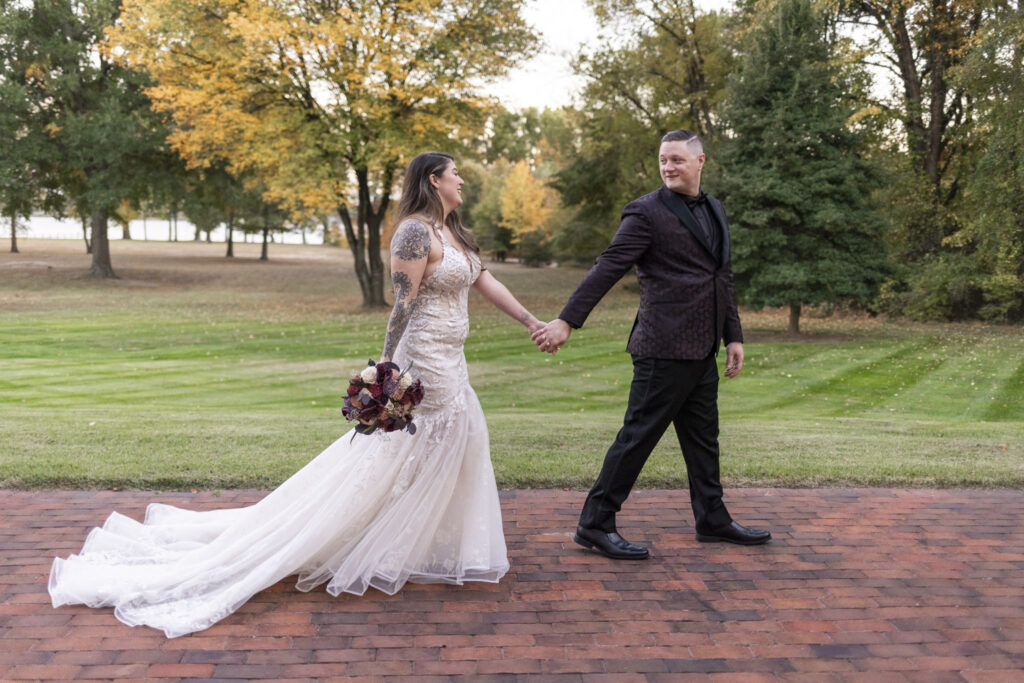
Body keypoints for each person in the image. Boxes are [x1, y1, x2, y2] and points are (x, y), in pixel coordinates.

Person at [49, 152, 546, 637]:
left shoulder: (454, 232)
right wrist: (385, 369)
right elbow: (402, 303)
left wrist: (530, 322)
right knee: (404, 452)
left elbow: (485, 280)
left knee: (451, 444)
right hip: (425, 361)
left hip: (455, 361)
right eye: (456, 173)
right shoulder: (415, 231)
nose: (463, 181)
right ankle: (351, 537)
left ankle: (430, 541)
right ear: (434, 180)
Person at [532, 130, 771, 560]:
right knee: (638, 437)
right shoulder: (645, 212)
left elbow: (723, 276)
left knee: (704, 439)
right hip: (662, 347)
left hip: (703, 350)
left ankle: (712, 518)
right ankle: (595, 524)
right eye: (663, 160)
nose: (668, 167)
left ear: (700, 161)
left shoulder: (714, 208)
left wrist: (733, 335)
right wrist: (568, 320)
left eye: (677, 159)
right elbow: (608, 266)